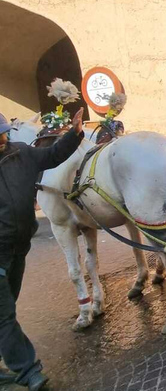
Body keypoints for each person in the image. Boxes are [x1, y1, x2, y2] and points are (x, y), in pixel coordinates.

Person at [0, 108, 84, 391]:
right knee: (4, 315)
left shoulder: (21, 153)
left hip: (18, 248)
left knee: (6, 308)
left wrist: (73, 134)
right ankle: (28, 370)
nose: (2, 139)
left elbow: (52, 156)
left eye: (3, 134)